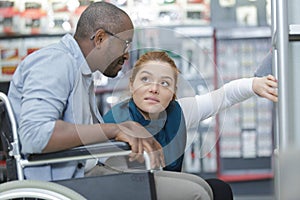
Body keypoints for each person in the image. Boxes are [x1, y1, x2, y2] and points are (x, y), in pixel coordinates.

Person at [7, 2, 214, 200]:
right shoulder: (55, 62)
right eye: (125, 44)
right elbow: (35, 135)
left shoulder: (82, 73)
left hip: (86, 173)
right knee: (197, 194)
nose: (126, 55)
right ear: (99, 39)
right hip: (67, 184)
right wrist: (115, 130)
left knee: (203, 186)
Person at [103, 51, 278, 200]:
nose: (154, 88)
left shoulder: (178, 112)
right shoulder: (115, 120)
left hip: (163, 187)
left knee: (219, 189)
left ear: (173, 92)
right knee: (199, 191)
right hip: (130, 190)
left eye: (164, 83)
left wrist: (254, 85)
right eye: (146, 79)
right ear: (132, 85)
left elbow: (224, 97)